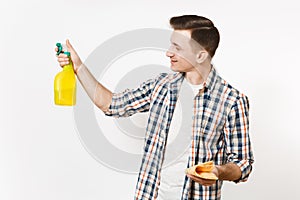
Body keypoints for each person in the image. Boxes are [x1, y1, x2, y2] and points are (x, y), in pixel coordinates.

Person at [55, 15, 254, 200]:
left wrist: (218, 172)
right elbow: (111, 104)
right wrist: (78, 67)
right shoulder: (160, 86)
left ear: (201, 56)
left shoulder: (232, 101)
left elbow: (242, 163)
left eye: (178, 48)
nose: (169, 53)